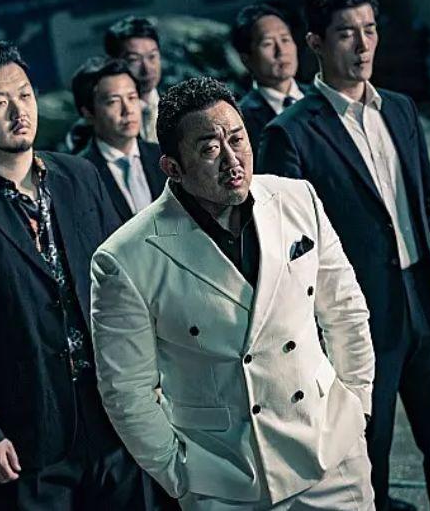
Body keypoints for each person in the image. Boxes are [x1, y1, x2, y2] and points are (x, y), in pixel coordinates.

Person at [90, 76, 376, 510]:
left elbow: (345, 310)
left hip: (330, 452)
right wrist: (178, 474)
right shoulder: (125, 258)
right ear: (172, 167)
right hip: (226, 477)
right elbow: (126, 389)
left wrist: (357, 405)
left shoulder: (297, 198)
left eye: (238, 139)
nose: (232, 160)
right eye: (209, 149)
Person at [0, 40, 154, 510]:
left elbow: (124, 287)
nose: (19, 111)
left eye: (24, 95)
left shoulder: (80, 176)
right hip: (23, 436)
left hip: (112, 417)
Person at [257, 0, 430, 510]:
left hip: (426, 300)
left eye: (370, 30)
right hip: (356, 318)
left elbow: (426, 203)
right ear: (316, 43)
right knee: (365, 455)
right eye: (346, 33)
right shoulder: (289, 133)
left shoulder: (399, 109)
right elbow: (289, 250)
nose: (363, 45)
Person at [72, 57, 164, 222]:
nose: (128, 110)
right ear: (88, 113)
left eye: (132, 97)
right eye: (113, 102)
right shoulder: (79, 175)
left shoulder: (162, 156)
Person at [233, 3, 308, 155]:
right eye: (267, 43)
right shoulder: (240, 120)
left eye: (285, 39)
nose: (281, 51)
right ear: (246, 59)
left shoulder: (322, 97)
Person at [105, 16, 163, 145]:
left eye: (152, 56)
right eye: (134, 60)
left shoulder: (181, 104)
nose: (147, 69)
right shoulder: (105, 119)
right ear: (113, 62)